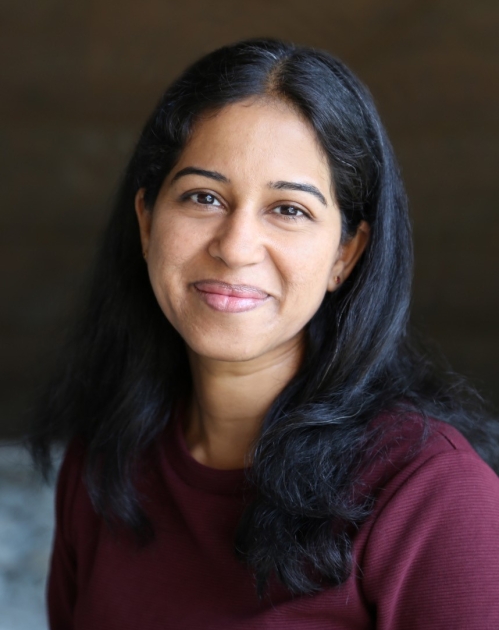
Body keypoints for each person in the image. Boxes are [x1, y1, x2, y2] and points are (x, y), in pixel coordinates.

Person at [30, 38, 499, 629]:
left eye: (290, 209)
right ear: (147, 220)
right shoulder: (104, 460)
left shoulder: (434, 497)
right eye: (204, 197)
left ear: (346, 255)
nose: (235, 246)